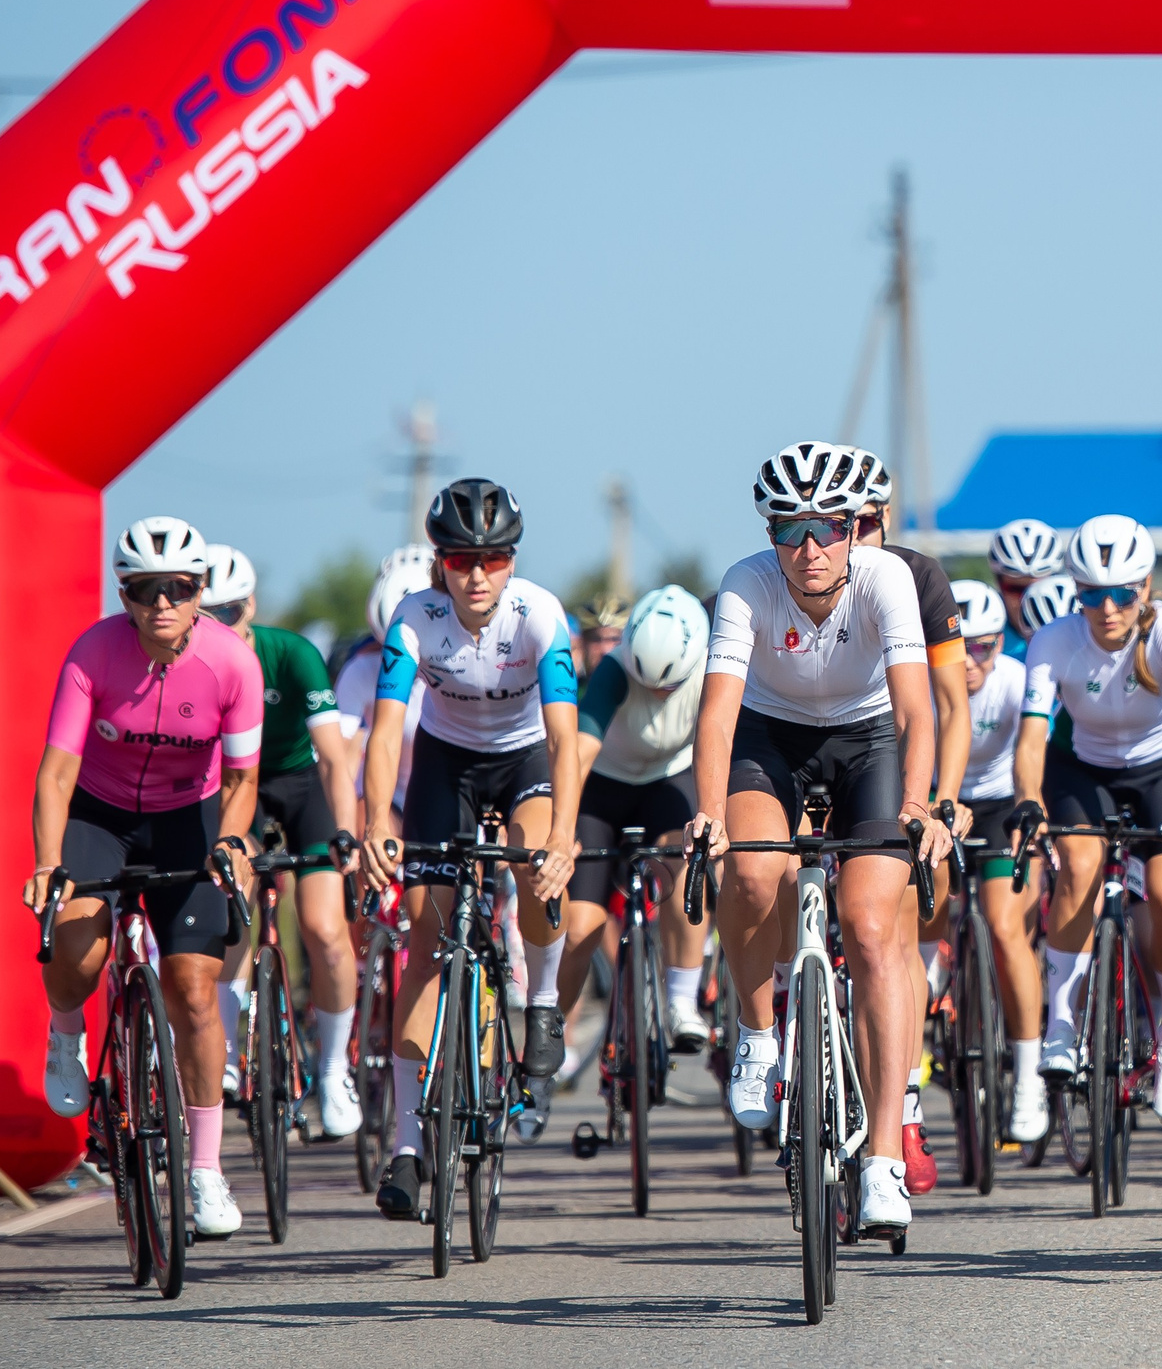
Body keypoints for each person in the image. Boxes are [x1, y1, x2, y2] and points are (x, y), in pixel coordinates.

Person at [687, 440, 950, 1237]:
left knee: (870, 928)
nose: (810, 549)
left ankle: (884, 1161)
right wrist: (709, 813)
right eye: (789, 530)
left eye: (828, 528)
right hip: (771, 738)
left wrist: (919, 805)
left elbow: (916, 712)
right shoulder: (747, 584)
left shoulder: (887, 579)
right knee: (753, 873)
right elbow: (718, 714)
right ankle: (757, 1034)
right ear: (770, 535)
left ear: (853, 529)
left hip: (868, 740)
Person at [26, 516, 266, 1239]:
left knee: (193, 988)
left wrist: (230, 842)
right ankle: (66, 1031)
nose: (162, 603)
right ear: (123, 595)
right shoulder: (93, 652)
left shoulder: (233, 664)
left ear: (200, 592)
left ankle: (205, 1170)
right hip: (99, 817)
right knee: (78, 949)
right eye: (144, 590)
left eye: (179, 589)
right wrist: (48, 863)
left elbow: (243, 778)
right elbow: (57, 773)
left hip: (187, 817)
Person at [356, 479, 583, 1220]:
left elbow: (564, 739)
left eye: (493, 559)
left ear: (512, 560)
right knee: (426, 938)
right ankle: (406, 1145)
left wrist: (563, 835)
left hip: (525, 760)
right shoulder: (414, 619)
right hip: (445, 765)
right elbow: (386, 731)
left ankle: (541, 1001)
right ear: (441, 564)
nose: (477, 575)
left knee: (539, 874)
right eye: (460, 560)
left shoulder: (539, 616)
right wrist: (376, 822)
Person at [1012, 515, 1162, 1124]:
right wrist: (1028, 800)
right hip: (1082, 771)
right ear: (1076, 592)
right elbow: (1032, 737)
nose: (1107, 609)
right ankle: (1062, 1025)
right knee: (1079, 868)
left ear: (1144, 586)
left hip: (1161, 770)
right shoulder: (1054, 640)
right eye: (1092, 595)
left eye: (1122, 593)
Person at [199, 544, 365, 1138]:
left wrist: (345, 832)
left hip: (298, 783)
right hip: (231, 785)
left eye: (230, 613)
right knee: (233, 906)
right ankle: (227, 1053)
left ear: (250, 606)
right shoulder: (193, 662)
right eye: (206, 616)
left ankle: (333, 1070)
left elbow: (333, 758)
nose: (220, 628)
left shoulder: (292, 654)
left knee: (325, 930)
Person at [545, 585, 712, 1137]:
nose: (658, 694)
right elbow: (579, 753)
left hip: (669, 780)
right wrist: (561, 833)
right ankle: (549, 1041)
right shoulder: (616, 669)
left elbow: (725, 743)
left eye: (669, 686)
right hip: (604, 788)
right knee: (582, 928)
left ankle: (682, 1000)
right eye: (649, 684)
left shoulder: (710, 666)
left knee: (686, 866)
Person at [850, 454, 971, 1194]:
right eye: (839, 525)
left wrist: (942, 802)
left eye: (865, 524)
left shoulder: (918, 578)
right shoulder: (798, 575)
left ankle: (905, 1104)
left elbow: (951, 705)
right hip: (809, 749)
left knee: (891, 931)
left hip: (894, 750)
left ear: (886, 520)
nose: (852, 540)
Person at [949, 578, 1048, 1143]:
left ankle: (1029, 1075)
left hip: (1000, 803)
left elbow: (1036, 755)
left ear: (999, 645)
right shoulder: (921, 679)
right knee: (919, 914)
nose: (968, 661)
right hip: (937, 799)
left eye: (982, 647)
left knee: (1008, 929)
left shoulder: (1014, 679)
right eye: (957, 648)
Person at [334, 545, 435, 828]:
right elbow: (344, 758)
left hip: (447, 789)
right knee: (363, 820)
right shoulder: (361, 669)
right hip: (389, 796)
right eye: (391, 651)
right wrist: (346, 831)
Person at [987, 518, 1067, 660]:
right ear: (998, 584)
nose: (1027, 598)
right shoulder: (985, 636)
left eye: (1038, 588)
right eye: (1016, 589)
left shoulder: (1078, 629)